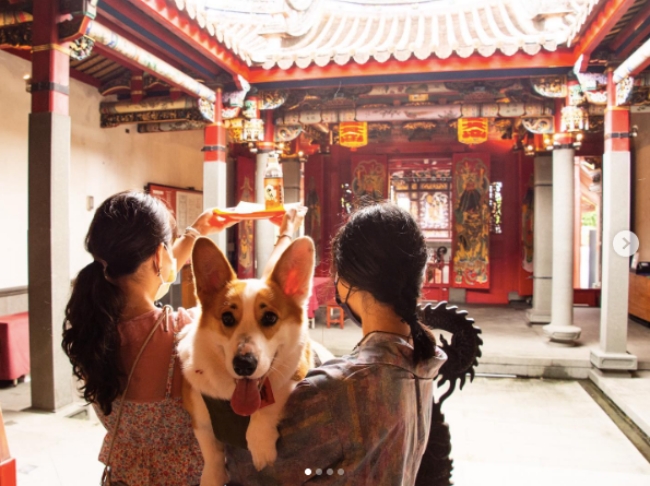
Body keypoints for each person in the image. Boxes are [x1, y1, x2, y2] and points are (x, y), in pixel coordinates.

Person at [61, 190, 302, 486]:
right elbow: (263, 295)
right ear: (159, 256)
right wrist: (285, 235)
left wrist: (195, 232)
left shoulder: (89, 329)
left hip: (120, 478)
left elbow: (148, 279)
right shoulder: (182, 333)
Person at [224, 202, 447, 486]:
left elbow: (249, 468)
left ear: (345, 282)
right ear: (420, 275)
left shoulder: (333, 390)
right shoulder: (422, 361)